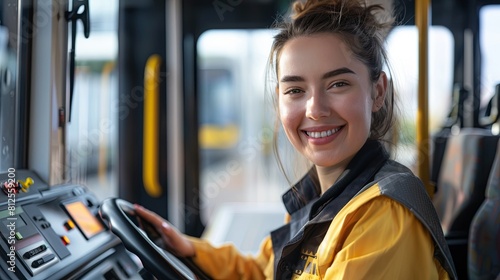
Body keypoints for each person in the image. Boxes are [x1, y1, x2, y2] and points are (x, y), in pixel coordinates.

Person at [134, 0, 457, 278]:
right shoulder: (321, 199)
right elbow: (263, 272)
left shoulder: (386, 215)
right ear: (279, 100)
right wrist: (187, 247)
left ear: (377, 92)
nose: (315, 109)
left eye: (338, 84)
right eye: (295, 91)